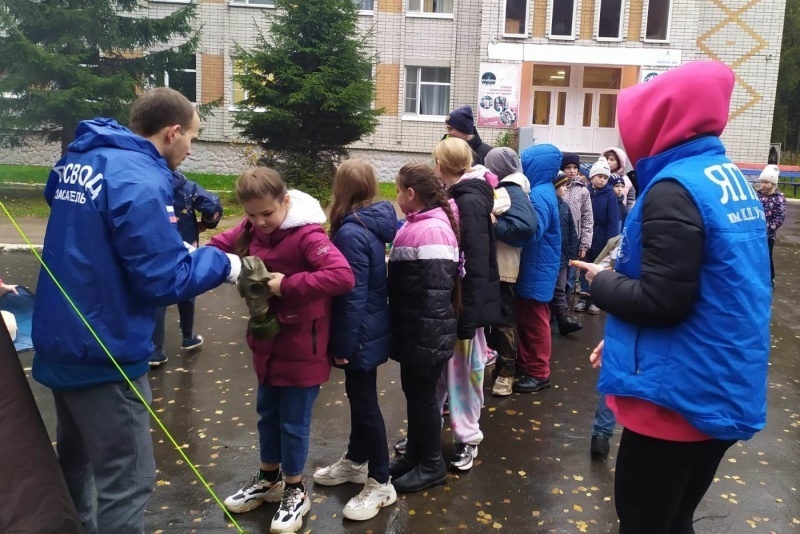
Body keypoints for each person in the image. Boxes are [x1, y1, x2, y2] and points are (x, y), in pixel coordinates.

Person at [30, 87, 241, 534]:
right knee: (127, 483)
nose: (190, 150)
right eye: (193, 140)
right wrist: (225, 263)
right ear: (173, 132)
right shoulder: (141, 180)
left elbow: (88, 228)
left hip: (61, 341)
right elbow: (165, 280)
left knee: (75, 465)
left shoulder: (82, 161)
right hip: (105, 349)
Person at [573, 61, 771, 534]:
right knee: (675, 518)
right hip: (716, 380)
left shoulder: (673, 188)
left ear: (659, 121)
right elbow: (721, 289)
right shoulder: (725, 179)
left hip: (677, 398)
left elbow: (663, 300)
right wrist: (623, 338)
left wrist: (599, 281)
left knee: (642, 521)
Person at [209, 168, 354, 533]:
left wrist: (287, 284)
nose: (260, 222)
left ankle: (295, 489)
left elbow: (341, 275)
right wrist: (228, 267)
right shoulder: (250, 229)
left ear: (285, 202)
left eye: (267, 214)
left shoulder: (308, 235)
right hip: (266, 342)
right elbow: (215, 247)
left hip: (304, 343)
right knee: (266, 413)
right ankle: (268, 479)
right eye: (251, 215)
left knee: (293, 420)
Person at [312, 159, 398, 520]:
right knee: (359, 397)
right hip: (370, 328)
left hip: (360, 333)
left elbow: (352, 296)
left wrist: (342, 346)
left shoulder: (350, 231)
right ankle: (356, 460)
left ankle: (381, 481)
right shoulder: (371, 222)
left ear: (342, 188)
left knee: (364, 404)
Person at [387, 162, 460, 493]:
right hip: (415, 330)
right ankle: (415, 454)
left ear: (411, 194)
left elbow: (436, 291)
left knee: (424, 398)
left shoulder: (433, 230)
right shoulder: (418, 223)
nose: (397, 195)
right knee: (415, 395)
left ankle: (432, 464)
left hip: (425, 333)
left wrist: (421, 338)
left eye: (399, 189)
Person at [432, 137, 501, 470]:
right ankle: (429, 433)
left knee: (464, 374)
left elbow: (474, 262)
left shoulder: (468, 201)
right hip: (454, 304)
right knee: (444, 375)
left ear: (441, 165)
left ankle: (467, 439)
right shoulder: (461, 195)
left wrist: (468, 316)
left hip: (463, 306)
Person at [150, 169, 224, 366]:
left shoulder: (147, 181)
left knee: (158, 291)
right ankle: (188, 336)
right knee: (187, 283)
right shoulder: (187, 187)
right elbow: (212, 204)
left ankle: (156, 349)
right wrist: (208, 223)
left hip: (156, 243)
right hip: (186, 241)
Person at [483, 147, 537, 396]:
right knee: (496, 319)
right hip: (498, 265)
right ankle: (499, 369)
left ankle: (506, 373)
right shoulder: (512, 189)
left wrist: (493, 225)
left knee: (504, 320)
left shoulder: (510, 191)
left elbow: (525, 228)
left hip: (504, 266)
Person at [514, 144, 562, 393]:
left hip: (536, 268)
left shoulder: (540, 194)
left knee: (535, 320)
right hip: (537, 266)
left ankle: (539, 372)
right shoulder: (542, 190)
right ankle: (528, 364)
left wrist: (508, 230)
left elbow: (531, 231)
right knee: (527, 318)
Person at [575, 158, 619, 316]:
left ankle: (595, 299)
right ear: (592, 176)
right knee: (585, 265)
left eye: (605, 177)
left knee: (598, 267)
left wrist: (611, 242)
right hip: (587, 235)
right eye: (599, 176)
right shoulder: (586, 192)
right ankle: (584, 296)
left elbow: (613, 221)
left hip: (602, 236)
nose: (602, 179)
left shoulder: (610, 196)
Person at [549, 172, 582, 336]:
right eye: (562, 185)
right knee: (555, 288)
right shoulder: (550, 204)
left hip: (562, 256)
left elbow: (572, 232)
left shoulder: (565, 206)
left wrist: (572, 255)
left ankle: (562, 319)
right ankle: (562, 319)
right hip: (551, 254)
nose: (565, 189)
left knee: (560, 287)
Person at [562, 153, 593, 296]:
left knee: (570, 277)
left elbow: (587, 218)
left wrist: (584, 244)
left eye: (575, 167)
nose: (572, 171)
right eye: (568, 167)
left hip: (576, 240)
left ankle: (565, 305)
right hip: (560, 237)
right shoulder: (556, 187)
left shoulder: (583, 191)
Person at [756, 164, 786, 289]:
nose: (763, 185)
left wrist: (768, 227)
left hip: (768, 235)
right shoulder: (757, 195)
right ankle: (756, 277)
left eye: (766, 182)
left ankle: (770, 279)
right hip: (756, 232)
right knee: (755, 255)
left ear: (773, 183)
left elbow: (779, 217)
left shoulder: (778, 198)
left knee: (767, 256)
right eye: (762, 182)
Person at [602, 147, 636, 211]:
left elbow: (631, 200)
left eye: (612, 159)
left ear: (620, 162)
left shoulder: (628, 180)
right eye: (606, 159)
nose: (608, 162)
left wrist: (627, 215)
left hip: (621, 216)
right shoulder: (600, 178)